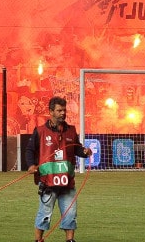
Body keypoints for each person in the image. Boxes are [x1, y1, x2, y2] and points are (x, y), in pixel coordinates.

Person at [25, 96, 92, 242]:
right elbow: (30, 150)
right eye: (59, 110)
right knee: (44, 214)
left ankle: (70, 240)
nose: (63, 113)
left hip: (67, 181)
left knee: (70, 214)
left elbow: (77, 149)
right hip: (47, 181)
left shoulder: (71, 131)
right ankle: (38, 240)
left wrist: (84, 152)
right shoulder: (40, 131)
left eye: (64, 110)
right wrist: (31, 165)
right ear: (51, 112)